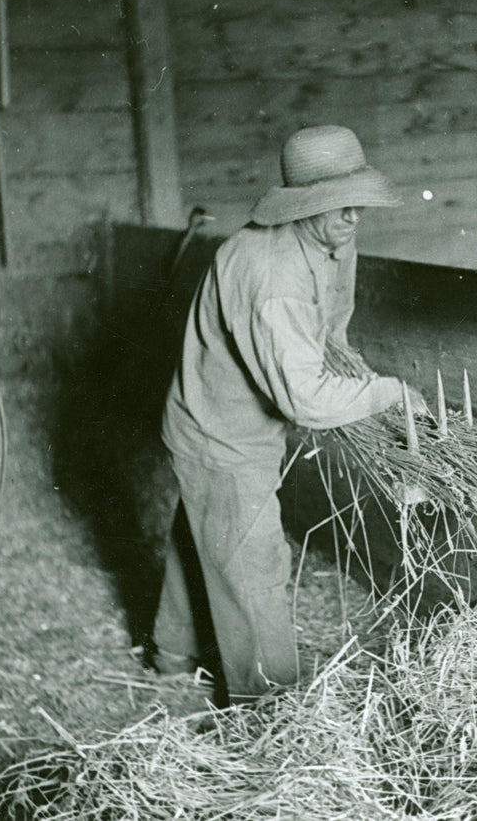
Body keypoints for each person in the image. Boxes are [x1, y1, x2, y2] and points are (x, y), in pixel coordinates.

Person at [149, 125, 426, 702]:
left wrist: (356, 378)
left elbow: (332, 329)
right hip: (220, 433)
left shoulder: (332, 240)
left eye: (359, 202)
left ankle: (172, 655)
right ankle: (270, 710)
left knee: (208, 532)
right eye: (340, 205)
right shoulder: (269, 272)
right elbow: (301, 396)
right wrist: (386, 394)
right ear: (305, 205)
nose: (354, 217)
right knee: (253, 565)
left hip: (239, 422)